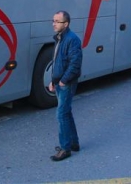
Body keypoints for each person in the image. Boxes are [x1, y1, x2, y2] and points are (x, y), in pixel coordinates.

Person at [48, 10, 83, 161]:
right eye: (53, 20)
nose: (54, 24)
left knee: (61, 114)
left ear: (66, 24)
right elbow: (57, 62)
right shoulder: (60, 38)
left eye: (57, 21)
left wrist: (63, 81)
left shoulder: (72, 39)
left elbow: (75, 64)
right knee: (66, 113)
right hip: (60, 81)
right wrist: (53, 80)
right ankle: (74, 143)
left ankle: (65, 149)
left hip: (66, 83)